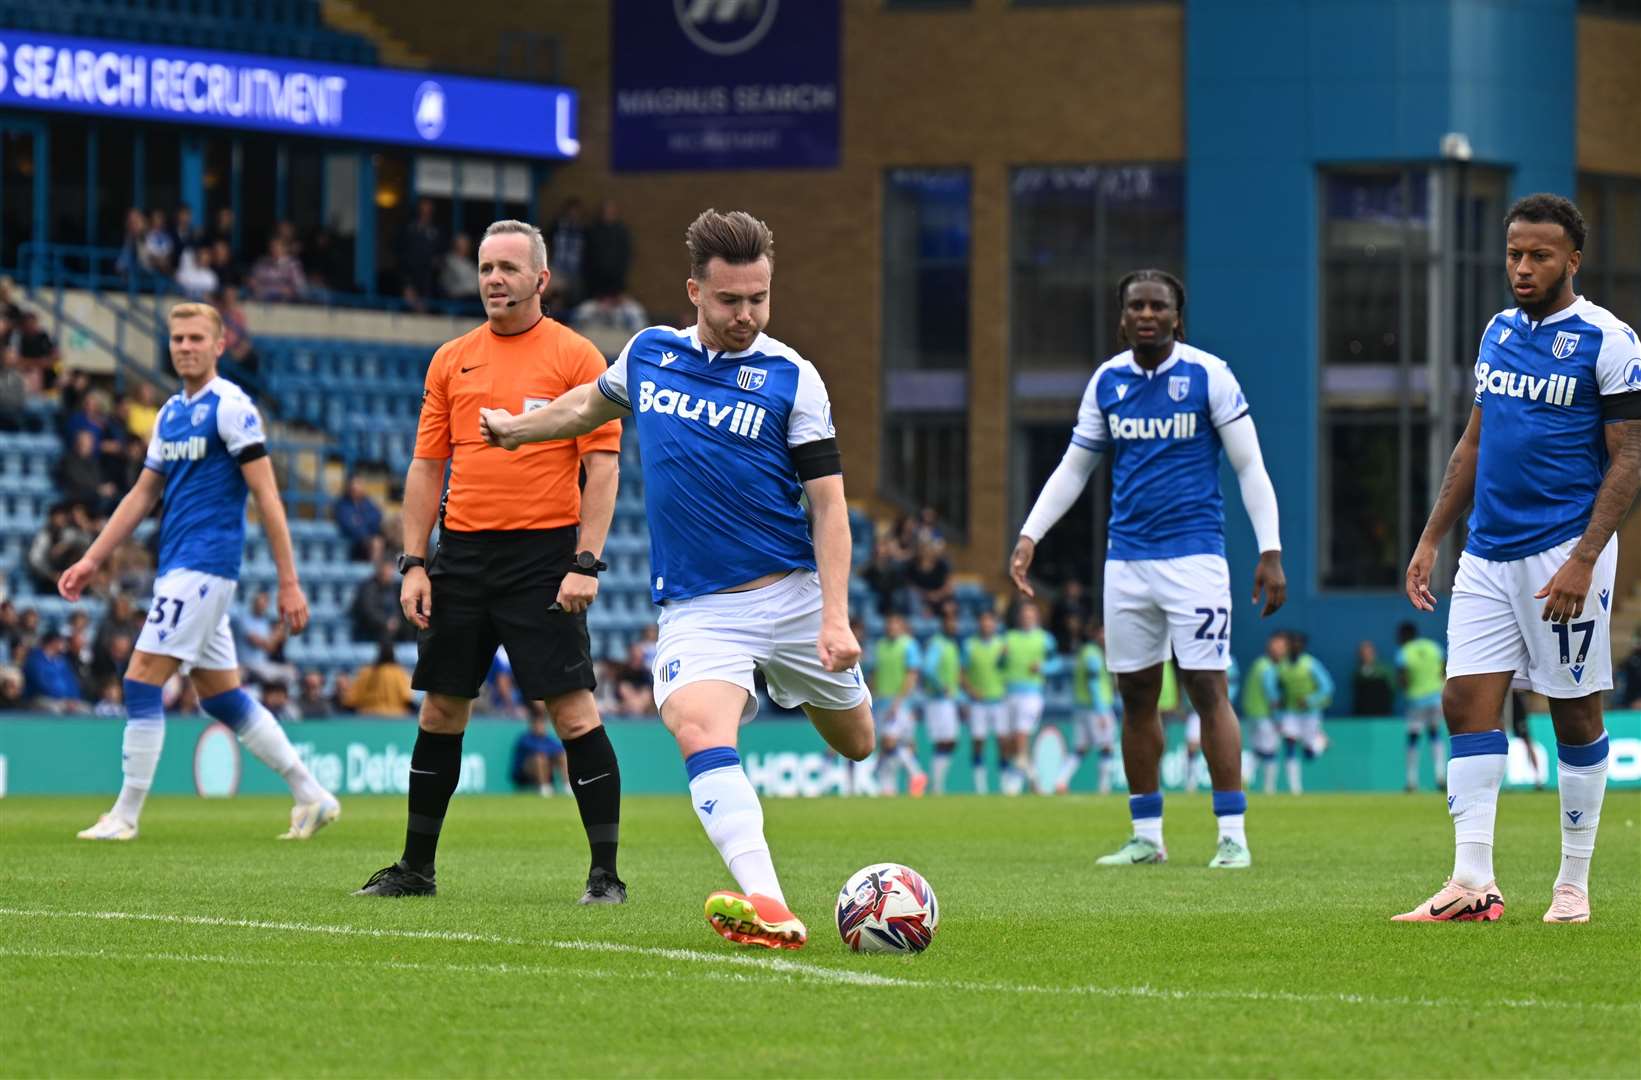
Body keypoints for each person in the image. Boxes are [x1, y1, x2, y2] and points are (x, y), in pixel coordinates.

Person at [479, 208, 872, 949]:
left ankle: (809, 682)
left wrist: (834, 618)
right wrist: (515, 429)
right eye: (730, 301)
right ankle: (770, 904)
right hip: (700, 610)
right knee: (695, 727)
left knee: (856, 741)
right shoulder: (650, 354)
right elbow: (584, 408)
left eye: (759, 298)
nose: (746, 316)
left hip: (791, 597)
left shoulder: (793, 377)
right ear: (694, 291)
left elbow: (829, 507)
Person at [355, 219, 627, 906]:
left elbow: (602, 468)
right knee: (440, 713)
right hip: (464, 556)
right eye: (484, 268)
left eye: (508, 267)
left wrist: (584, 563)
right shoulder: (451, 359)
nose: (494, 280)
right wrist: (414, 562)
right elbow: (426, 466)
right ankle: (416, 869)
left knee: (572, 714)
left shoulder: (576, 357)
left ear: (542, 278)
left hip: (545, 556)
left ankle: (604, 875)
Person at [1397, 194, 1638, 925]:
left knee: (1570, 710)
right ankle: (1472, 882)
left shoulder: (1609, 339)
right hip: (1485, 553)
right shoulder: (1497, 332)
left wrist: (1584, 559)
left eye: (1538, 255)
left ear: (1573, 258)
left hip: (1562, 551)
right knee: (1462, 700)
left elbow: (1628, 457)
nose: (1523, 267)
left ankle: (1571, 884)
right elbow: (1473, 444)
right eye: (1513, 254)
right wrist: (1432, 536)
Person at [1010, 269, 1285, 868]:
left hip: (1196, 559)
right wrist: (1031, 533)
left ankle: (1232, 835)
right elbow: (1074, 467)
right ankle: (1147, 836)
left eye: (1157, 306)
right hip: (1127, 562)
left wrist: (1270, 550)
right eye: (1136, 305)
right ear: (1122, 315)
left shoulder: (1208, 375)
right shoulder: (1107, 381)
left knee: (1207, 687)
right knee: (1135, 695)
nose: (1146, 315)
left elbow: (1249, 466)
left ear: (1177, 316)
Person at [58, 302, 338, 841]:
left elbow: (267, 495)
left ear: (219, 345)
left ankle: (125, 815)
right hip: (178, 568)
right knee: (219, 696)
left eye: (195, 338)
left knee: (140, 679)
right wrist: (92, 558)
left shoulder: (232, 408)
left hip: (205, 567)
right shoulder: (169, 414)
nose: (184, 346)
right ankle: (312, 794)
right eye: (177, 338)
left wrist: (289, 580)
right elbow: (143, 494)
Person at [1000, 601, 1058, 795]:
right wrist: (1001, 657)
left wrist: (1043, 667)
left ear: (1036, 617)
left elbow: (1057, 663)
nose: (1027, 617)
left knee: (1020, 736)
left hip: (1031, 694)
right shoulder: (1009, 638)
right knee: (1008, 743)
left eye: (1031, 614)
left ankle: (1020, 781)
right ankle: (1031, 776)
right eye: (1024, 614)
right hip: (1009, 693)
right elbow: (999, 666)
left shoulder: (1045, 639)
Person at [1056, 622, 1116, 795]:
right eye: (1103, 633)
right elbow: (1093, 682)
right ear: (1095, 634)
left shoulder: (1086, 652)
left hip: (1081, 707)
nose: (1106, 637)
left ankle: (1060, 781)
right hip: (1096, 708)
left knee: (1080, 748)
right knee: (1107, 746)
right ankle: (1104, 787)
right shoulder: (1092, 654)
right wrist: (1101, 711)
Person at [871, 612, 926, 797]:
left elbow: (912, 675)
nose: (892, 628)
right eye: (889, 624)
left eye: (895, 624)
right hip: (882, 701)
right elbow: (876, 674)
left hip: (902, 702)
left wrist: (899, 701)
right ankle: (889, 787)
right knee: (889, 745)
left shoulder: (909, 645)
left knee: (890, 740)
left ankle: (916, 774)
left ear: (901, 626)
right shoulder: (880, 646)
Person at [1275, 632, 1334, 794]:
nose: (1294, 647)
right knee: (1290, 744)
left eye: (1297, 645)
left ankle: (1320, 743)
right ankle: (1295, 789)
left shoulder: (1311, 665)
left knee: (1309, 754)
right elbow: (1280, 687)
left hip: (1310, 713)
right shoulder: (1282, 666)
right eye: (1292, 644)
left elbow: (1327, 687)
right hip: (1291, 712)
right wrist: (1279, 703)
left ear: (1302, 647)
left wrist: (1310, 700)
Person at [1395, 622, 1446, 792]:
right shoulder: (1433, 647)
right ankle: (1440, 776)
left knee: (1413, 739)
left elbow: (1402, 678)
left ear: (1403, 636)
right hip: (1436, 698)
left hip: (1416, 701)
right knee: (1435, 735)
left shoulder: (1404, 652)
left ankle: (1411, 781)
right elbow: (1444, 668)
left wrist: (1406, 689)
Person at [961, 608, 1007, 795]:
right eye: (983, 621)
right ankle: (980, 787)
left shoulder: (1003, 645)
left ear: (995, 625)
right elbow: (961, 673)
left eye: (990, 622)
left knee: (1002, 743)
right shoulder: (969, 645)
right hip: (978, 702)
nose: (987, 625)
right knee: (978, 741)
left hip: (998, 700)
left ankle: (1005, 786)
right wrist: (971, 690)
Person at [919, 608, 964, 795]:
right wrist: (940, 686)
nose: (954, 625)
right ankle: (936, 786)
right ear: (943, 624)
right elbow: (928, 668)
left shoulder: (952, 645)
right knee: (944, 741)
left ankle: (937, 784)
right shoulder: (938, 643)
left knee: (949, 741)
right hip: (938, 700)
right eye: (950, 621)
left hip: (948, 700)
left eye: (955, 621)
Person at [1242, 630, 1286, 794]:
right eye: (1279, 646)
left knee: (1257, 751)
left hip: (1252, 714)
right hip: (1264, 716)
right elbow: (1271, 694)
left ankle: (1244, 777)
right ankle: (1269, 789)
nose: (1281, 650)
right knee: (1270, 751)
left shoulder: (1259, 664)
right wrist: (1277, 718)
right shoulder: (1267, 667)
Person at [341, 639, 414, 717]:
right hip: (396, 717)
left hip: (367, 717)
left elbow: (351, 700)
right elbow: (407, 699)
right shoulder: (400, 673)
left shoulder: (365, 672)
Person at [23, 630, 86, 713]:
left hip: (66, 701)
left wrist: (73, 698)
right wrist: (62, 699)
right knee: (55, 710)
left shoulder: (62, 661)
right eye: (61, 642)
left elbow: (71, 682)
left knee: (85, 710)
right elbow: (41, 683)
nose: (63, 645)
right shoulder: (35, 661)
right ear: (53, 642)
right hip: (41, 698)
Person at [511, 712, 567, 795]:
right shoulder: (524, 738)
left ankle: (567, 785)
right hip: (524, 772)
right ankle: (544, 788)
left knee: (562, 756)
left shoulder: (547, 739)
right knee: (540, 757)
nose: (540, 727)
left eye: (542, 724)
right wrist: (549, 751)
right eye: (537, 724)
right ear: (532, 726)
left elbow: (560, 749)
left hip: (547, 768)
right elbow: (537, 749)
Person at [1353, 638, 1397, 716]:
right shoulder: (1357, 672)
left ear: (1374, 653)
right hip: (1363, 714)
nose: (1366, 656)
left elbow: (1392, 688)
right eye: (1363, 653)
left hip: (1382, 712)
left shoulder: (1385, 670)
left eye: (1369, 653)